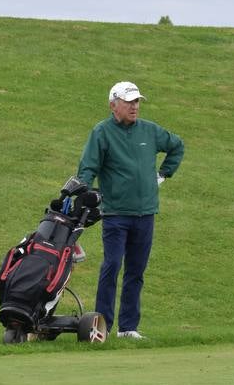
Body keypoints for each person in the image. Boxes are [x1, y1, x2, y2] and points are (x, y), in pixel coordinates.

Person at [77, 81, 185, 339]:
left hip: (145, 212)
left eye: (137, 101)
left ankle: (128, 328)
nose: (135, 106)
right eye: (129, 102)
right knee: (112, 267)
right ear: (113, 105)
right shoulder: (102, 132)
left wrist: (163, 174)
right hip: (116, 213)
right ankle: (101, 326)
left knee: (136, 271)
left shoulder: (150, 131)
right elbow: (88, 167)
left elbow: (177, 145)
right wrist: (84, 191)